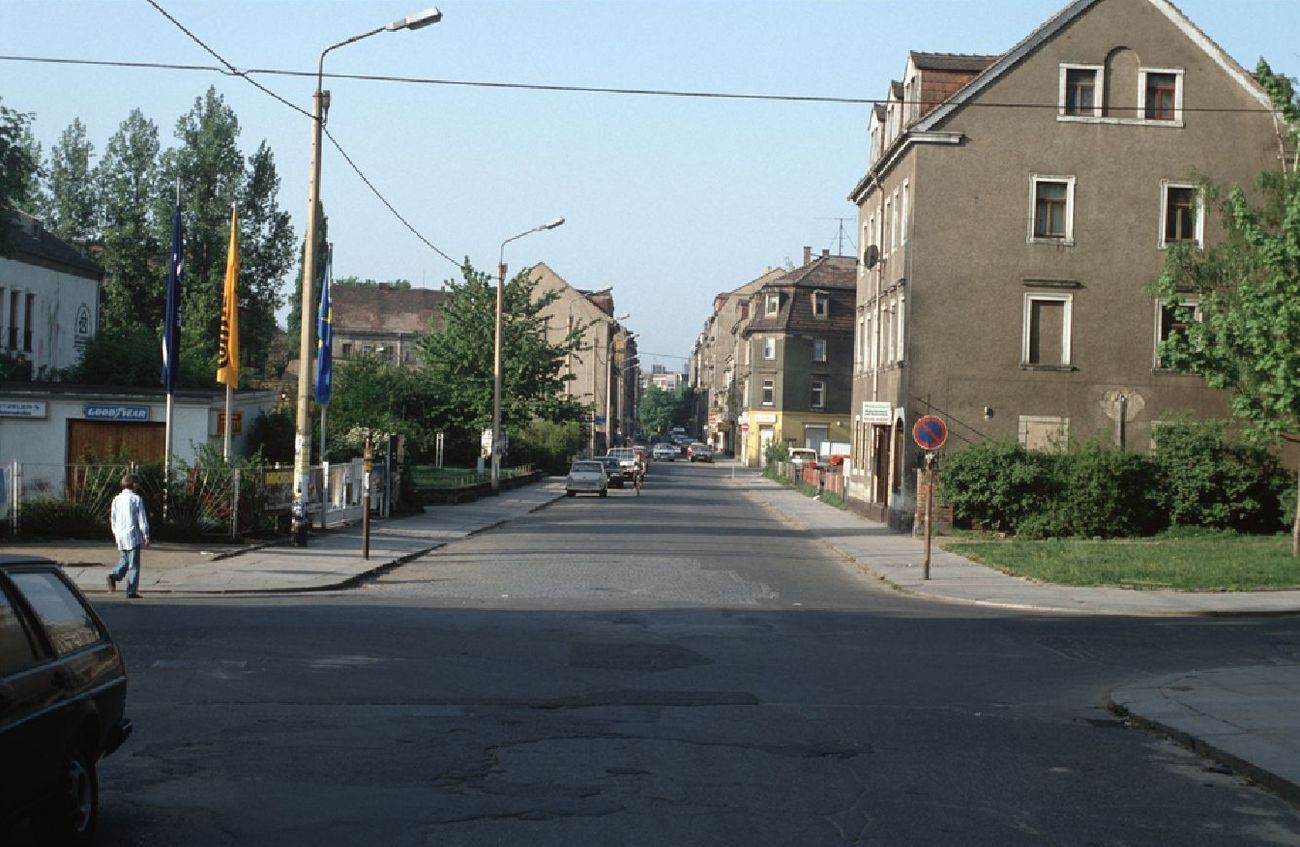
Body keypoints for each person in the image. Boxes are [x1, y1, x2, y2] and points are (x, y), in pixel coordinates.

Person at [107, 473, 150, 598]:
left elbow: (113, 518)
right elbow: (142, 519)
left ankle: (115, 575)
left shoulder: (117, 499)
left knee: (125, 560)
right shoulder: (136, 499)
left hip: (120, 535)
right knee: (134, 565)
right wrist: (146, 534)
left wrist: (115, 532)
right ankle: (131, 591)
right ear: (134, 483)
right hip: (133, 535)